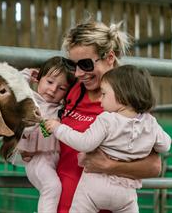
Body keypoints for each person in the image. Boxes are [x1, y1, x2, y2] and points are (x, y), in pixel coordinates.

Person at [52, 17, 163, 213]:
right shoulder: (72, 91)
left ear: (109, 57)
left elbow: (154, 166)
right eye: (72, 65)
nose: (78, 73)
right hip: (63, 204)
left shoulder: (129, 101)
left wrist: (109, 166)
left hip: (104, 205)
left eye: (85, 64)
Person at [44, 65, 171, 212]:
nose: (100, 99)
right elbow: (165, 146)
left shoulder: (106, 120)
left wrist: (58, 128)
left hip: (95, 188)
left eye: (104, 94)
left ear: (122, 97)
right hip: (126, 194)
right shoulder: (151, 123)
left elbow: (84, 143)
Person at [10, 56, 76, 213]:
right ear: (38, 79)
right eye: (50, 82)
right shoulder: (30, 100)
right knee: (52, 187)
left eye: (62, 88)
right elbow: (13, 87)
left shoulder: (61, 108)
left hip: (55, 160)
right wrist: (28, 74)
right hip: (37, 159)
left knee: (58, 189)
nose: (53, 90)